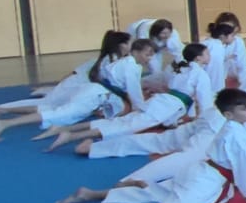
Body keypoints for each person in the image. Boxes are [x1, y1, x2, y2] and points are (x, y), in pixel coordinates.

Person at [55, 88, 246, 203]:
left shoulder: (234, 126)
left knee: (156, 193)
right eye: (245, 108)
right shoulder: (237, 134)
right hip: (207, 179)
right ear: (228, 114)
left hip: (198, 170)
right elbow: (245, 165)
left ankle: (92, 194)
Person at [43, 42, 215, 152]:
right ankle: (71, 136)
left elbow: (169, 86)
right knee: (127, 126)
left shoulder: (180, 68)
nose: (209, 56)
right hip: (168, 105)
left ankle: (68, 129)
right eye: (207, 53)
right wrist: (202, 120)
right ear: (198, 57)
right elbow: (204, 101)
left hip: (162, 101)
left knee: (122, 122)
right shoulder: (200, 74)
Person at [0, 32, 152, 142]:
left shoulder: (124, 62)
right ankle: (4, 123)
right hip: (93, 93)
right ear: (136, 51)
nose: (149, 59)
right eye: (147, 54)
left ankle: (6, 112)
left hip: (92, 91)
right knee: (54, 110)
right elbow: (134, 93)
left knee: (52, 109)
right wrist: (142, 109)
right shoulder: (130, 66)